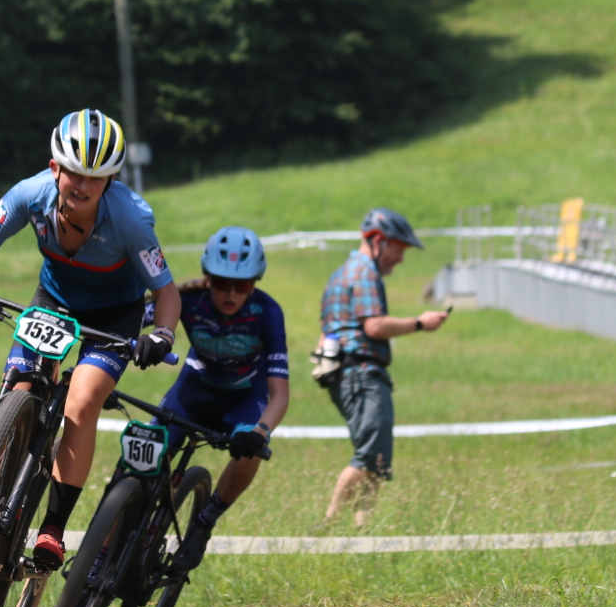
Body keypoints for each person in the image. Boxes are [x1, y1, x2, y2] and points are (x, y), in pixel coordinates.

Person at [0, 109, 181, 571]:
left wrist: (162, 335)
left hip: (114, 314)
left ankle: (53, 526)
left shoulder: (130, 220)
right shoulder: (30, 193)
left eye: (96, 177)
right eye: (74, 172)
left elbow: (166, 292)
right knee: (18, 387)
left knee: (82, 401)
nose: (83, 185)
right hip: (53, 300)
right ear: (55, 167)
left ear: (111, 180)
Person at [154, 226, 290, 572]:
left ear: (254, 284)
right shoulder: (189, 300)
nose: (230, 293)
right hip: (193, 391)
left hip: (243, 399)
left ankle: (205, 521)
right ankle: (101, 556)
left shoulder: (267, 312)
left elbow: (279, 393)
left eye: (242, 286)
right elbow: (132, 321)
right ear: (207, 278)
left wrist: (260, 431)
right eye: (220, 283)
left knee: (251, 451)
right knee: (145, 456)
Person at [316, 206, 448, 526]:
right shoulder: (365, 273)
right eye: (399, 249)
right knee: (369, 455)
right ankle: (326, 527)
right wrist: (420, 323)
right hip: (361, 374)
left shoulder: (341, 273)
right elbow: (374, 327)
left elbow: (327, 330)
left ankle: (363, 530)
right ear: (378, 241)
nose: (401, 259)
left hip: (346, 374)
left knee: (374, 458)